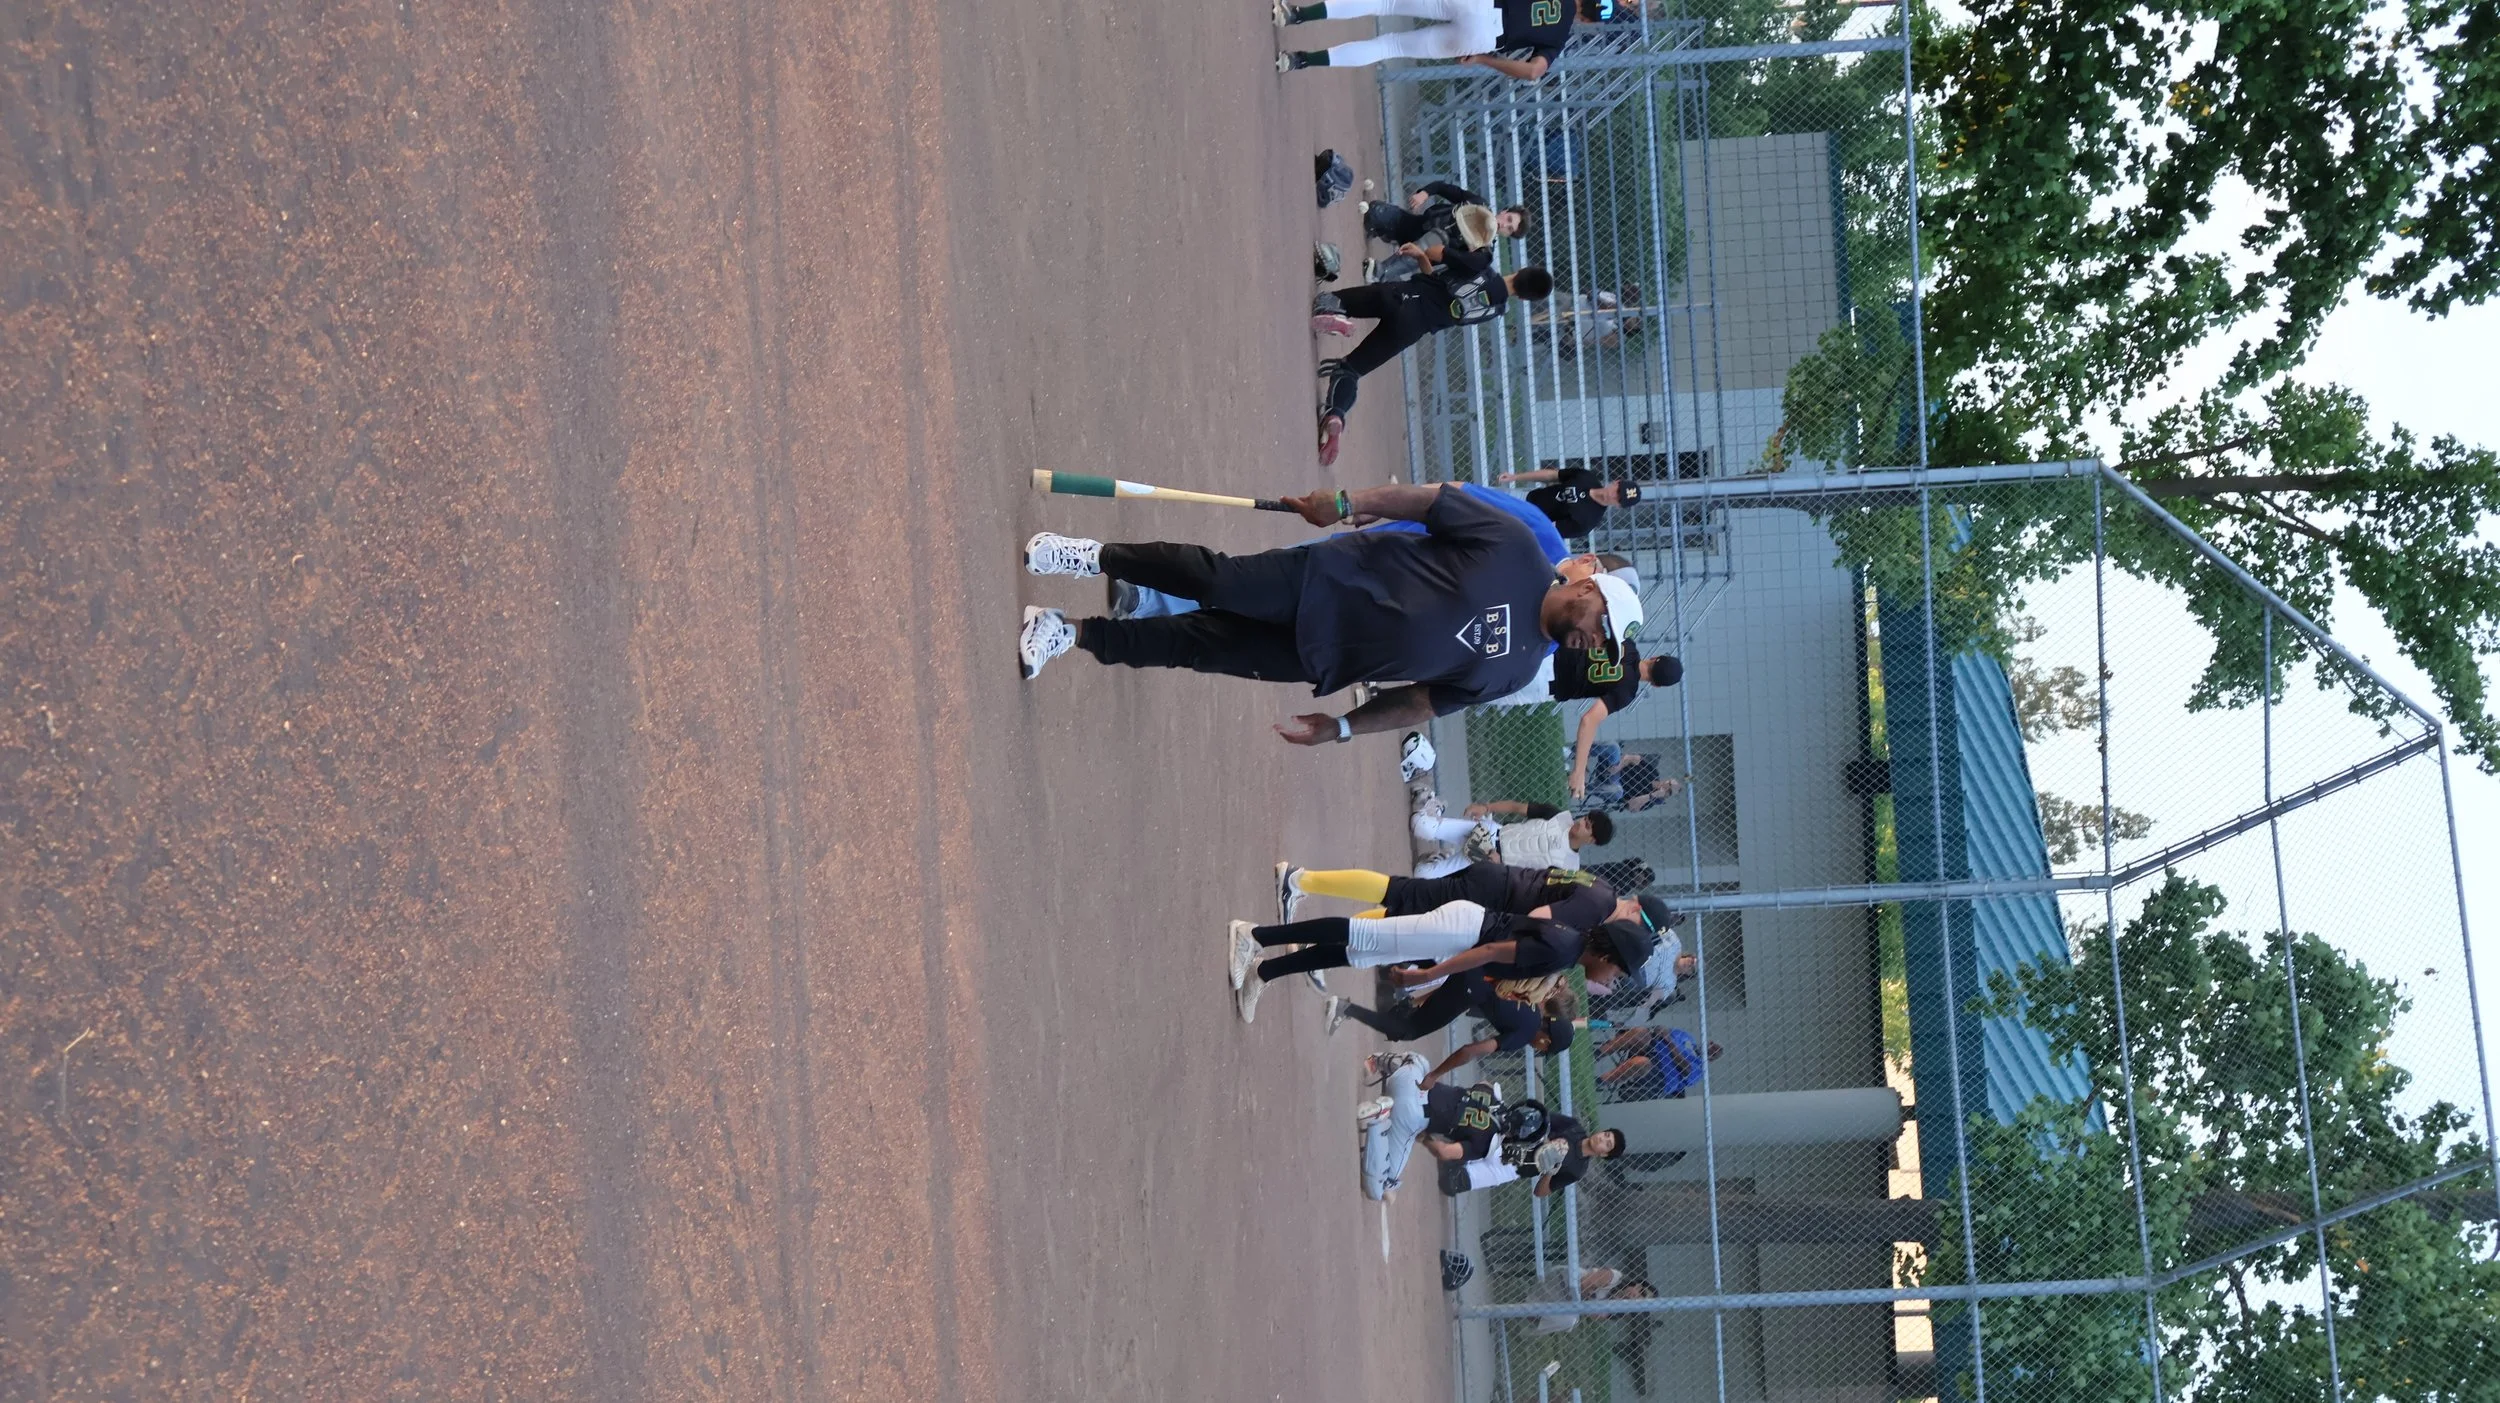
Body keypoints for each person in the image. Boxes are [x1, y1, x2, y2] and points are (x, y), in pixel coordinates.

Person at [1017, 484, 1642, 749]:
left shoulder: (1516, 672)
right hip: (1324, 580)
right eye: (1601, 628)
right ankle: (1088, 556)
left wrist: (1342, 730)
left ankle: (1067, 633)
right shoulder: (1516, 546)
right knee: (1214, 578)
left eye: (1601, 648)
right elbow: (1429, 502)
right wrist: (1344, 502)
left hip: (1322, 658)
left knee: (1195, 646)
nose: (1593, 645)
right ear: (1591, 591)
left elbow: (1422, 701)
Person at [1109, 480, 1566, 621]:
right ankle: (1151, 599)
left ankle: (1156, 609)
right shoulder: (1540, 537)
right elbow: (1457, 494)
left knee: (1266, 614)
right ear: (1589, 567)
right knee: (1257, 581)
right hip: (1373, 555)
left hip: (1380, 615)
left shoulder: (1553, 635)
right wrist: (1372, 506)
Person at [1228, 903, 1654, 1023]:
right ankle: (1255, 936)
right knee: (1359, 935)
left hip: (1462, 933)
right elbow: (1489, 952)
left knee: (1355, 951)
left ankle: (1265, 971)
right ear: (1606, 954)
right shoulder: (1562, 950)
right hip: (1459, 933)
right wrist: (1429, 974)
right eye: (1618, 970)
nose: (1612, 979)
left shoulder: (1569, 945)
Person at [1313, 261, 1554, 463]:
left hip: (1403, 295)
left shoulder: (1481, 266)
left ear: (1521, 271)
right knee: (1351, 369)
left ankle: (1335, 313)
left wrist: (1421, 255)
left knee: (1329, 299)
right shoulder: (1495, 310)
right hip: (1412, 329)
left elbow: (1434, 259)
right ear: (1523, 298)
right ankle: (1336, 415)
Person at [1275, 0, 1615, 79]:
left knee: (1385, 2)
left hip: (1480, 1)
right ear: (1587, 19)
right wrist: (1483, 59)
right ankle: (1299, 60)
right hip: (1484, 37)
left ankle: (1297, 15)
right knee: (1390, 46)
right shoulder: (1560, 37)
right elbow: (1532, 72)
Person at [1358, 1052, 1514, 1200]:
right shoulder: (1487, 1144)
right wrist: (1425, 1139)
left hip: (1410, 1081)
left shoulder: (1491, 1093)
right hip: (1411, 1116)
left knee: (1419, 1061)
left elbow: (1482, 1084)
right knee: (1381, 1187)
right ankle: (1378, 1116)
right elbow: (1443, 1152)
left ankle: (1375, 1061)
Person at [1413, 800, 1611, 879]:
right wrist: (1486, 808)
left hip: (1493, 861)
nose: (1580, 822)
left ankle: (1438, 860)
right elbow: (1518, 808)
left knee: (1422, 874)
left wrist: (1501, 868)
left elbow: (1532, 884)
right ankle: (1435, 812)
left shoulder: (1569, 868)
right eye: (1585, 818)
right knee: (1419, 824)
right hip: (1490, 833)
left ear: (1592, 840)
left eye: (1587, 826)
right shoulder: (1558, 817)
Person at [1497, 465, 1642, 539]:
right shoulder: (1587, 477)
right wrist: (1515, 477)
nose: (1614, 495)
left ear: (1618, 506)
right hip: (1524, 497)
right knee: (1479, 496)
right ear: (1616, 482)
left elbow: (1547, 530)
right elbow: (1552, 475)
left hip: (1525, 521)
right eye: (1618, 491)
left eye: (1619, 499)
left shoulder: (1587, 522)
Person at [1598, 1024, 1720, 1101]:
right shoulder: (1688, 1038)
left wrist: (1670, 1043)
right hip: (1652, 1047)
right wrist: (1660, 1029)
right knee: (1641, 1032)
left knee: (1642, 1063)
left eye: (1712, 1051)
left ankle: (1602, 1081)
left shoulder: (1700, 1068)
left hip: (1660, 1074)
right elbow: (1662, 1030)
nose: (1709, 1046)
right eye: (1712, 1044)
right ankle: (1598, 1053)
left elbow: (1686, 1069)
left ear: (1711, 1059)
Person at [1530, 1267, 1656, 1334]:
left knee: (1569, 1322)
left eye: (1642, 1300)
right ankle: (1527, 1308)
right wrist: (1591, 1300)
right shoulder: (1614, 1277)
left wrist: (1612, 1301)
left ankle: (1526, 1317)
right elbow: (1583, 1284)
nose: (1637, 1297)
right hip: (1563, 1282)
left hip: (1570, 1302)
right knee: (1569, 1318)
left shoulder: (1619, 1309)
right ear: (1637, 1285)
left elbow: (1593, 1314)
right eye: (1641, 1292)